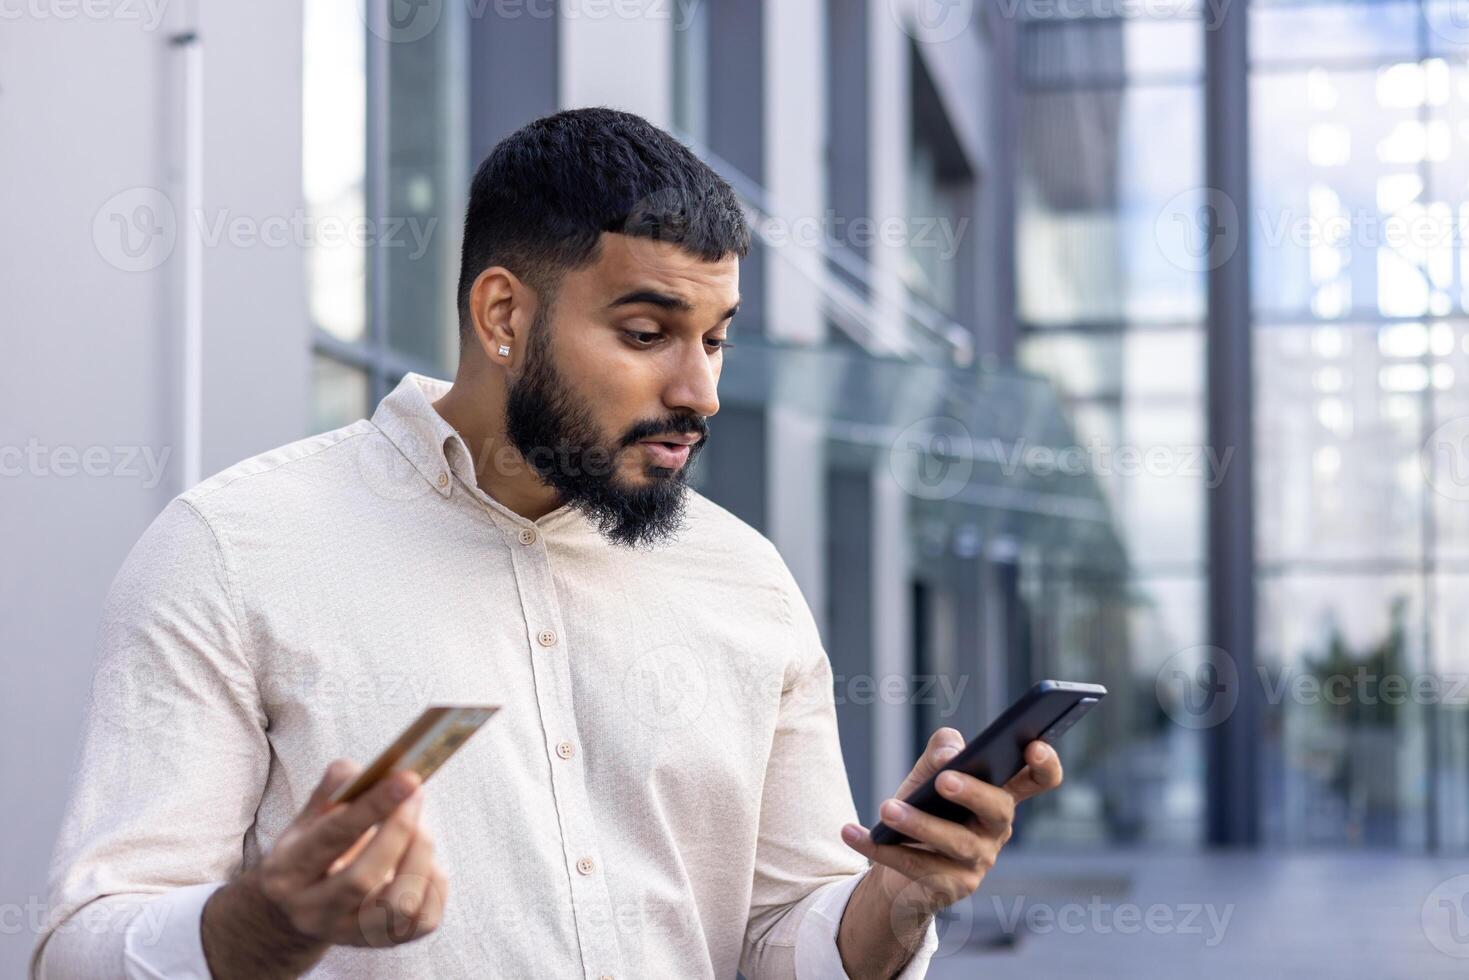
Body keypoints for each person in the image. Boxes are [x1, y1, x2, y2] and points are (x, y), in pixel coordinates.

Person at [32, 107, 1064, 979]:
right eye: (647, 332)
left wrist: (890, 897)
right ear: (500, 314)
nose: (698, 391)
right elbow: (80, 945)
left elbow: (778, 936)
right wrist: (273, 913)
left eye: (714, 337)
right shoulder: (235, 548)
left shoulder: (745, 579)